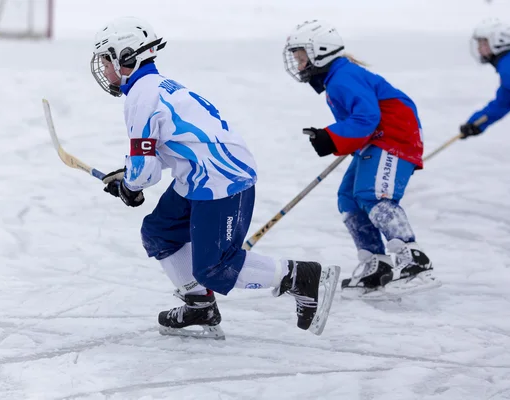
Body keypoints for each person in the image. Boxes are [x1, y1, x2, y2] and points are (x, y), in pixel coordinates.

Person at [90, 16, 340, 338]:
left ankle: (300, 276)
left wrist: (130, 184)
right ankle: (199, 305)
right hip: (201, 176)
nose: (104, 70)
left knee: (214, 267)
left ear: (126, 58)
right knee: (159, 232)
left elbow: (145, 172)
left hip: (219, 180)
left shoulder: (141, 96)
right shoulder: (155, 87)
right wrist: (131, 176)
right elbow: (171, 149)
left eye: (106, 61)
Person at [283, 20, 438, 298]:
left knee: (373, 194)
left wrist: (330, 137)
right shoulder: (336, 79)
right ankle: (376, 264)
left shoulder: (344, 77)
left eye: (301, 56)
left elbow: (367, 117)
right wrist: (338, 138)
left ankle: (415, 260)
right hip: (376, 140)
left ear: (320, 51)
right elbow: (362, 120)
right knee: (349, 198)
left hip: (393, 139)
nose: (298, 63)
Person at [460, 18, 510, 139]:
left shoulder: (509, 70)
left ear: (497, 42)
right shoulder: (507, 68)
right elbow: (502, 104)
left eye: (483, 43)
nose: (479, 48)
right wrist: (475, 124)